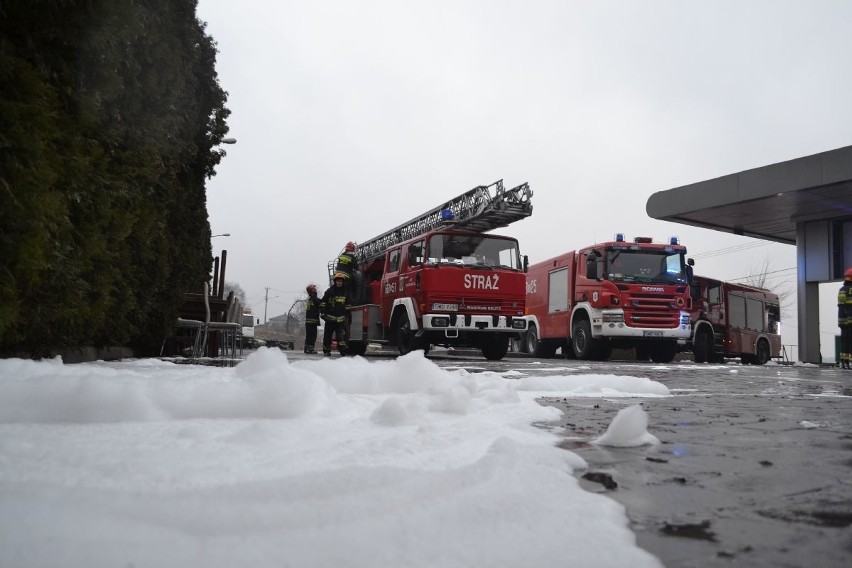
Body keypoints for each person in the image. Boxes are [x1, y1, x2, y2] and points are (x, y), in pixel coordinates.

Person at [320, 273, 352, 356]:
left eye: (341, 281)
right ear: (335, 281)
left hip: (340, 320)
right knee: (327, 336)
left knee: (341, 336)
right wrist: (322, 313)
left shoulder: (345, 292)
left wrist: (349, 316)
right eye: (338, 281)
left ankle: (342, 350)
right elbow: (323, 303)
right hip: (330, 319)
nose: (339, 283)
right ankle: (326, 350)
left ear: (343, 282)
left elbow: (348, 305)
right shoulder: (329, 291)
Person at [838, 268, 852, 369]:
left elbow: (842, 306)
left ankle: (844, 361)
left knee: (845, 341)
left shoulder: (842, 290)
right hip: (850, 319)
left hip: (842, 320)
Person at [303, 284, 320, 354]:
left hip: (309, 321)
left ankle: (306, 347)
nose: (316, 290)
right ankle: (310, 349)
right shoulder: (314, 298)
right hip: (312, 321)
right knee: (313, 335)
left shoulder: (310, 299)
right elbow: (321, 302)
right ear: (312, 290)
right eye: (314, 289)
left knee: (309, 335)